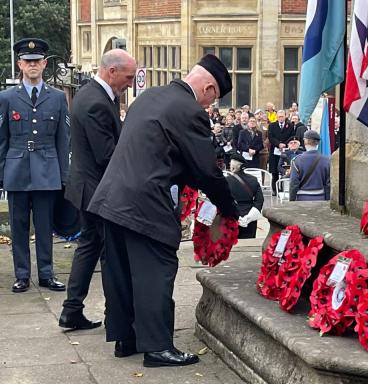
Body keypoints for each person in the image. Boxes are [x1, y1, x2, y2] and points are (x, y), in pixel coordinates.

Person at [87, 54, 239, 367]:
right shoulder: (188, 110)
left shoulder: (151, 96)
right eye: (213, 100)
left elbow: (163, 151)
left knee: (120, 272)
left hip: (111, 198)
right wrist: (229, 209)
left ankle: (125, 338)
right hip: (145, 203)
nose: (209, 107)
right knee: (156, 271)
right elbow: (206, 170)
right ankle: (157, 347)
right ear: (209, 88)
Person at [58, 49, 137, 330]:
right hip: (96, 191)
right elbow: (107, 155)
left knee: (88, 247)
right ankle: (115, 315)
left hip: (87, 187)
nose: (130, 83)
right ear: (111, 71)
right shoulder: (96, 102)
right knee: (110, 253)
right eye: (128, 77)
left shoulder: (96, 95)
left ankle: (71, 310)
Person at [0, 38, 69, 293]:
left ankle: (47, 274)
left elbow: (64, 139)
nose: (32, 65)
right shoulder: (7, 98)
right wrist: (1, 175)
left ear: (44, 64)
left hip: (47, 170)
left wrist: (64, 175)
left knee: (44, 226)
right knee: (18, 226)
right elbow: (2, 139)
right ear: (20, 64)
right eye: (27, 61)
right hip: (16, 170)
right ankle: (21, 275)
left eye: (37, 61)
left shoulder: (58, 97)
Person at [225, 153, 264, 239]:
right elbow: (259, 200)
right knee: (249, 244)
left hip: (232, 217)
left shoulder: (226, 181)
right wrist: (249, 217)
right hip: (250, 217)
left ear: (233, 167)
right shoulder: (253, 180)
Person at [289, 130, 330, 201]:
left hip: (302, 198)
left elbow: (294, 184)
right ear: (318, 143)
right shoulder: (327, 160)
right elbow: (328, 184)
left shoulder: (296, 160)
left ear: (305, 142)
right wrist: (327, 200)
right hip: (321, 197)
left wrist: (291, 200)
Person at [268, 109, 294, 195]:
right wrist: (278, 144)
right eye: (279, 116)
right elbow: (270, 137)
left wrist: (284, 144)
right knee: (274, 172)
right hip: (274, 151)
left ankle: (282, 189)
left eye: (282, 116)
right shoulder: (272, 125)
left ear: (285, 117)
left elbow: (292, 136)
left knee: (284, 170)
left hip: (285, 152)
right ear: (277, 117)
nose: (280, 118)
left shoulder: (289, 126)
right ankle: (274, 190)